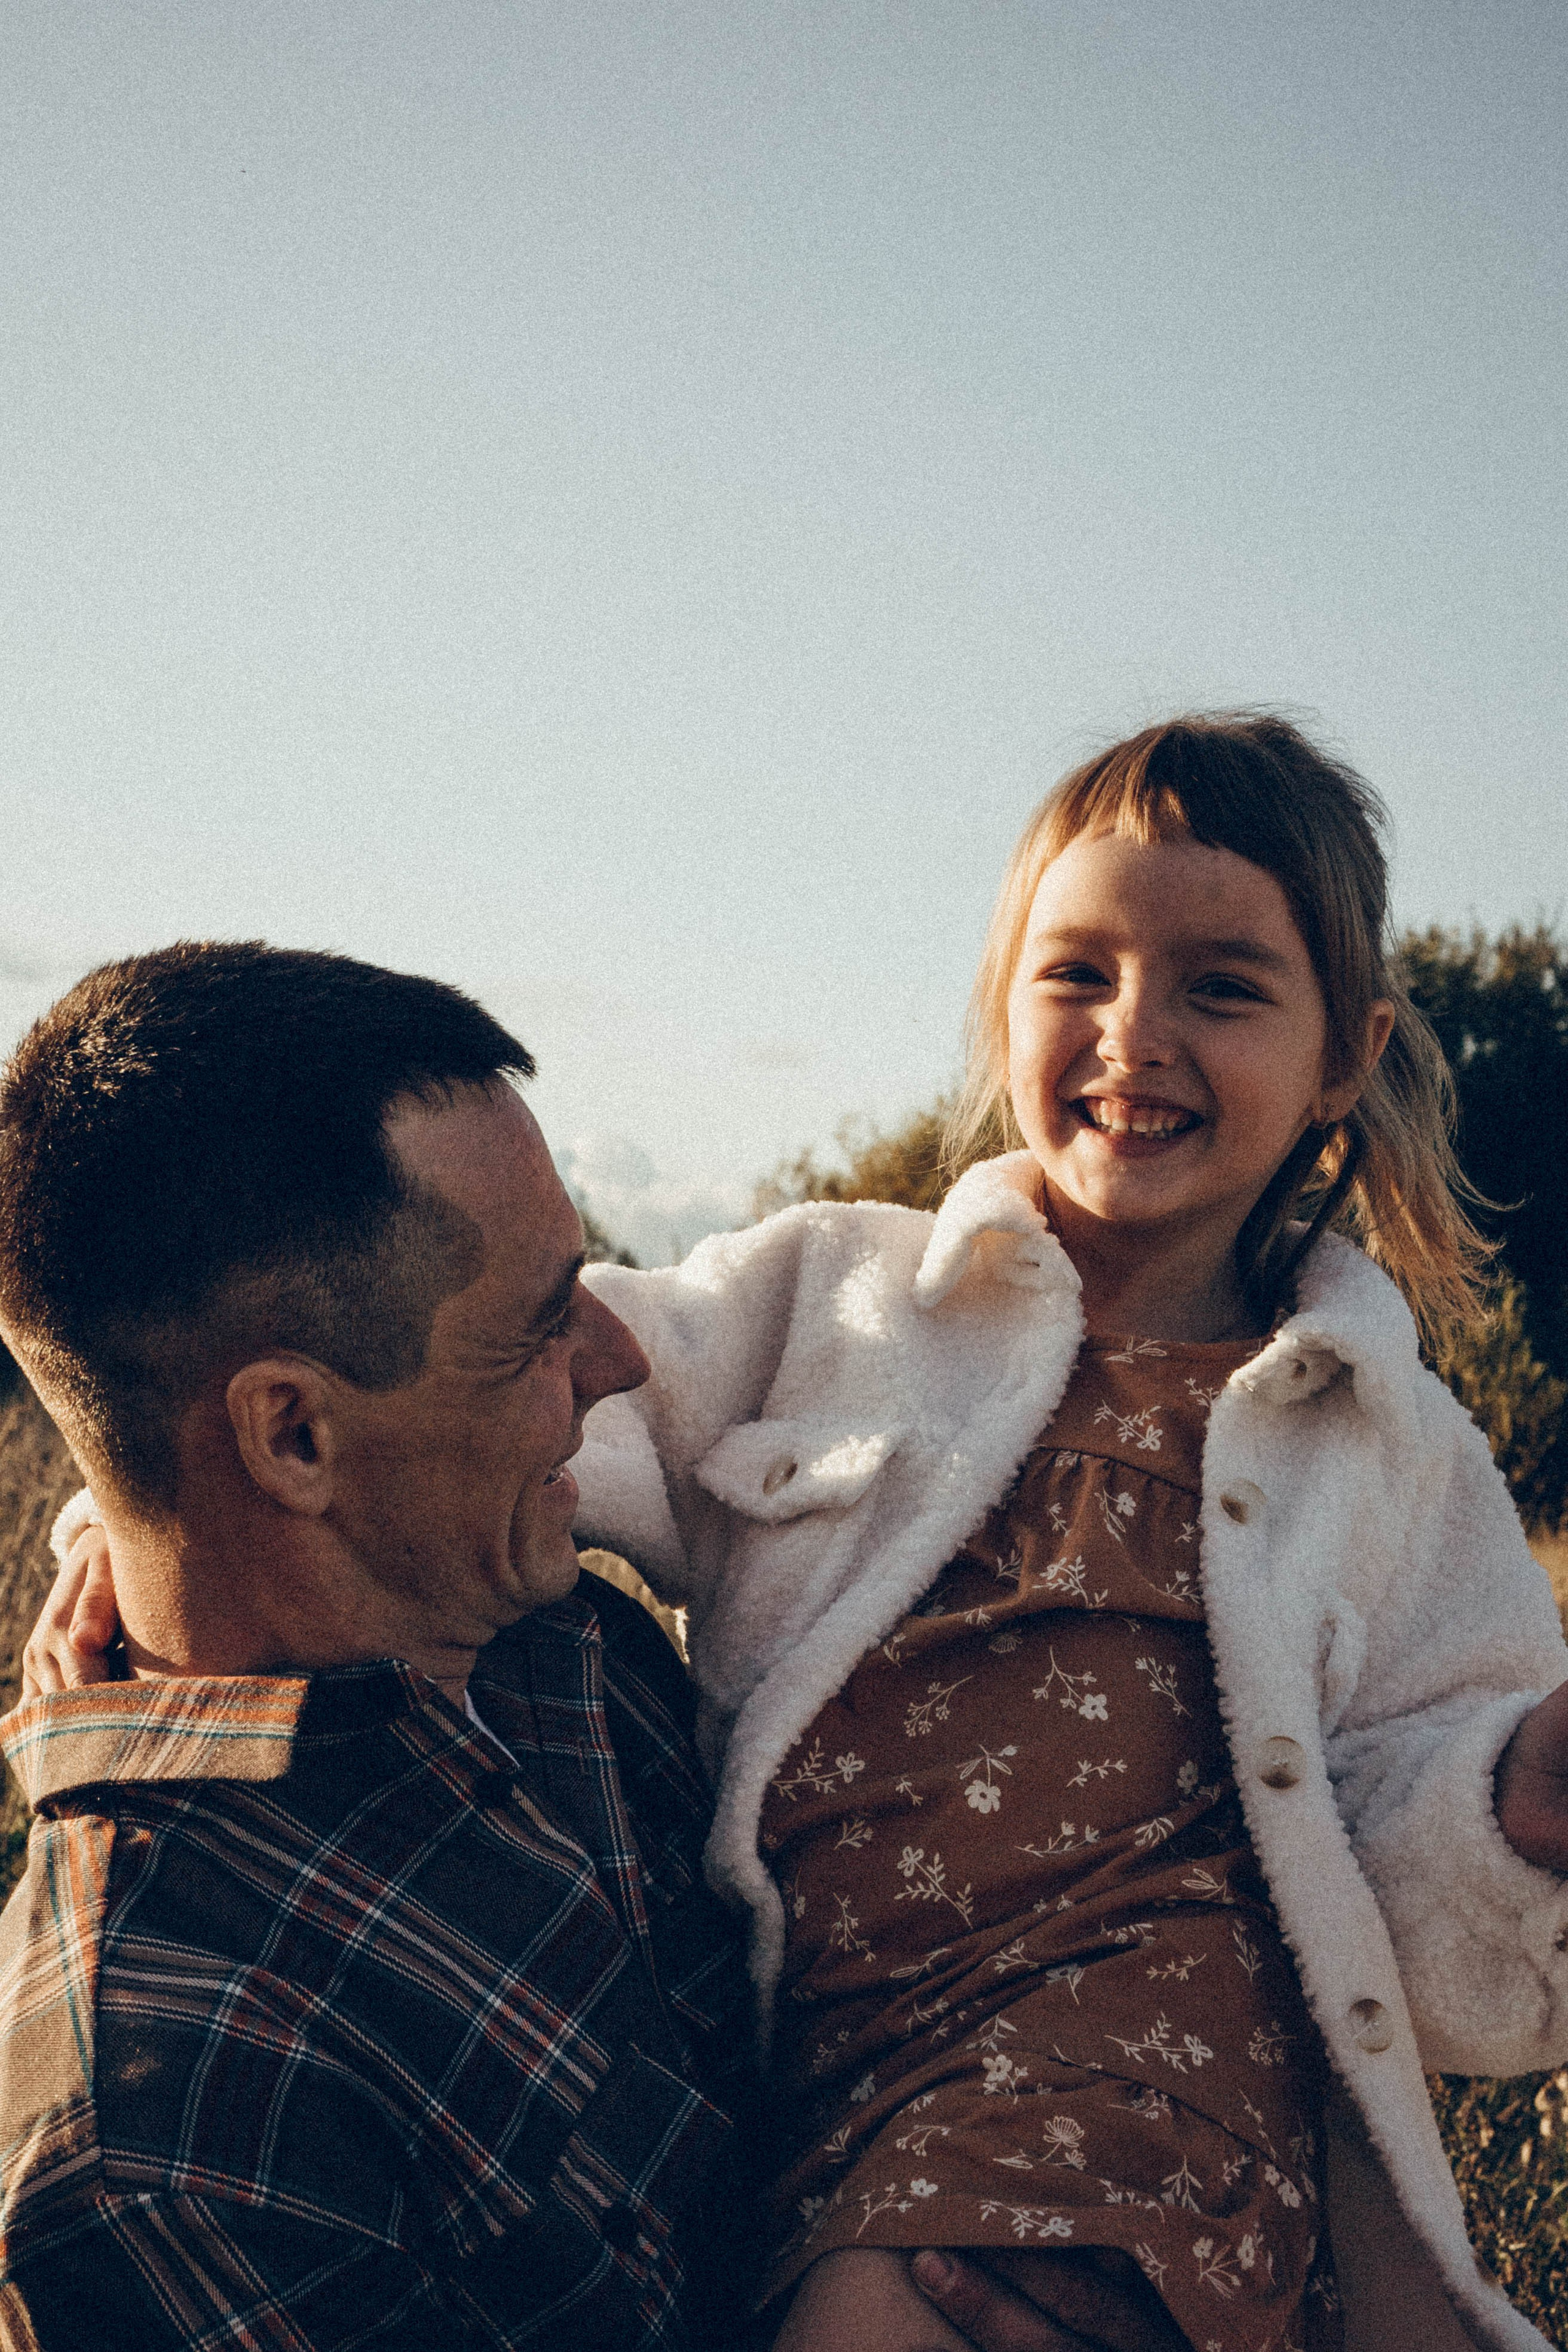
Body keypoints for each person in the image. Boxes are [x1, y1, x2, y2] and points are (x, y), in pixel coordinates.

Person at [554, 715, 1568, 2351]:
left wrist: (1523, 1795)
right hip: (813, 2067)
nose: (1134, 1034)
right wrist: (179, 1500)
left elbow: (1437, 1933)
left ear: (1344, 1060)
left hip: (1146, 2063)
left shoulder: (1387, 1448)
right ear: (1001, 1001)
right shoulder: (827, 1295)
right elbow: (503, 1395)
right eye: (1077, 973)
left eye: (1223, 987)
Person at [1, 942, 1096, 2352]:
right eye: (533, 1329)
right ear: (293, 1435)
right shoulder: (153, 2143)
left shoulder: (557, 1645)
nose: (617, 1360)